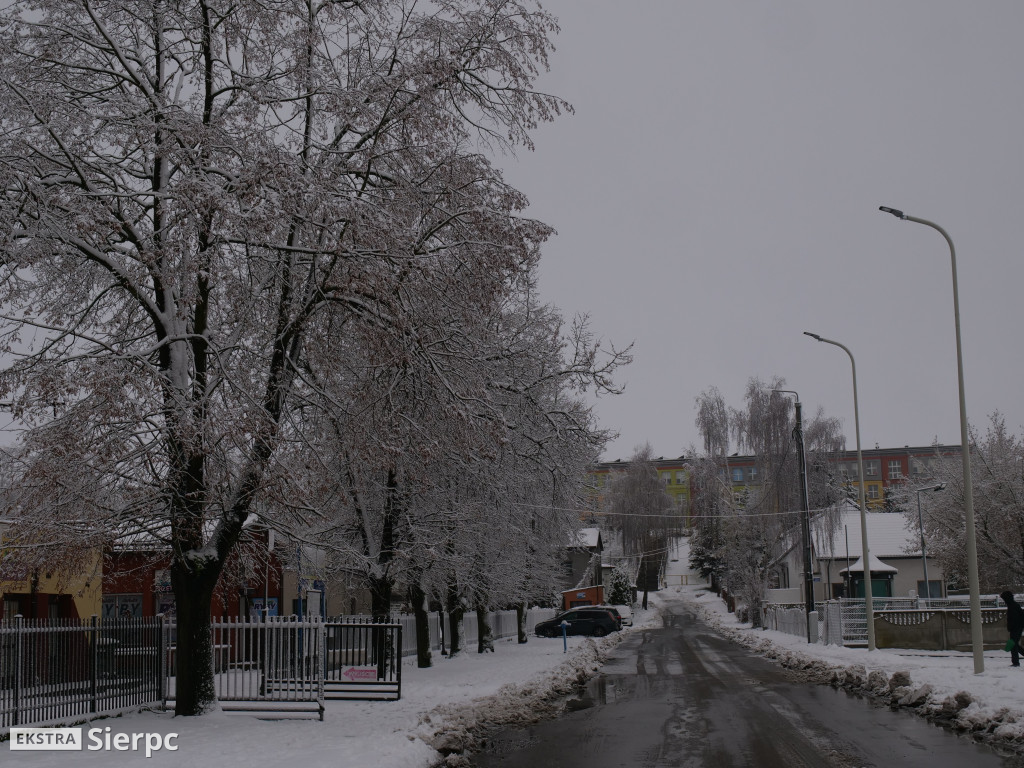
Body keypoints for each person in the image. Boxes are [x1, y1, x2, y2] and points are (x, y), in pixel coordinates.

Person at [1000, 590, 1024, 667]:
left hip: (1015, 629)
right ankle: (1015, 661)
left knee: (1013, 645)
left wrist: (1010, 627)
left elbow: (1013, 619)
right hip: (1018, 628)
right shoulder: (1014, 605)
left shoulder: (1012, 606)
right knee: (1015, 644)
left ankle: (1016, 662)